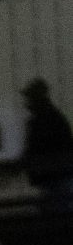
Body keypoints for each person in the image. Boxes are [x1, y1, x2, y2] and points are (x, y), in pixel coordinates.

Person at [21, 77, 73, 209]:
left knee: (56, 208)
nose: (27, 102)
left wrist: (26, 160)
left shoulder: (42, 120)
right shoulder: (54, 117)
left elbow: (37, 146)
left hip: (52, 174)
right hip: (59, 174)